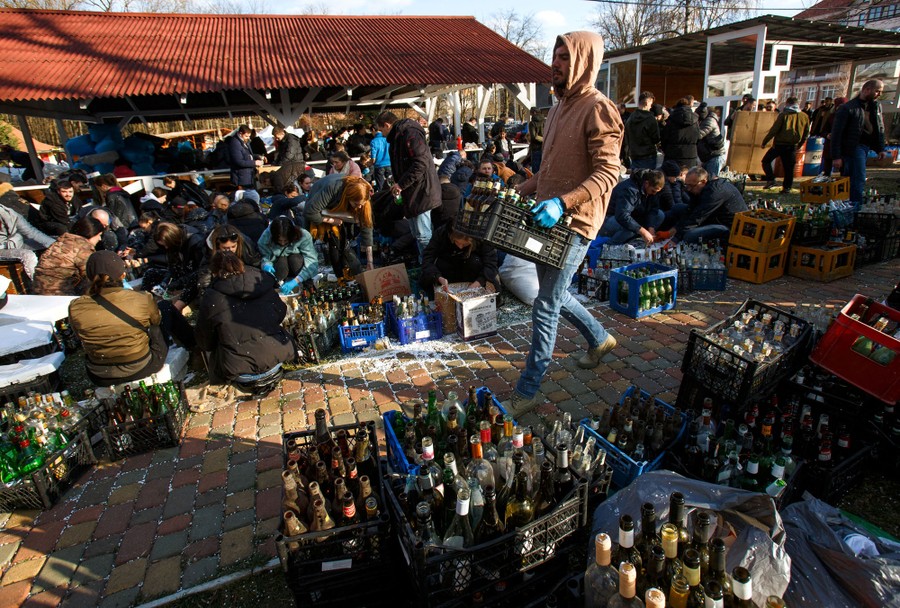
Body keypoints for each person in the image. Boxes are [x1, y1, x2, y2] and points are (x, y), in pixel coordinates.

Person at [505, 31, 623, 416]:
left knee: (545, 305)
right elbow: (551, 169)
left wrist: (563, 203)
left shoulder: (598, 108)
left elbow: (609, 173)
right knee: (554, 295)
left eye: (564, 58)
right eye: (554, 57)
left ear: (585, 62)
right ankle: (600, 339)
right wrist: (521, 187)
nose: (555, 64)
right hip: (548, 221)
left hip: (576, 223)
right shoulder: (556, 109)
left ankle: (529, 388)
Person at [194, 251, 296, 385]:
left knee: (214, 348)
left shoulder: (212, 297)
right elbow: (281, 312)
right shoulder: (260, 282)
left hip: (241, 372)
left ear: (214, 272)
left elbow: (205, 341)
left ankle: (221, 382)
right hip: (276, 358)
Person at [68, 251, 168, 386]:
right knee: (165, 310)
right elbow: (156, 322)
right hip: (142, 367)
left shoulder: (76, 306)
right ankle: (195, 351)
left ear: (90, 277)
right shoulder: (142, 298)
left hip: (100, 375)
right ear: (123, 275)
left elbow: (78, 335)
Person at [375, 111, 441, 261]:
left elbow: (420, 163)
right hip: (415, 191)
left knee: (423, 235)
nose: (382, 134)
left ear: (387, 125)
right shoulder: (401, 136)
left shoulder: (409, 134)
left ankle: (430, 268)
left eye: (381, 129)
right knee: (418, 233)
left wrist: (401, 184)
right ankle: (425, 266)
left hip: (421, 191)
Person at [304, 174, 375, 277]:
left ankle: (346, 275)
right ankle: (306, 276)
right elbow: (309, 212)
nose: (359, 207)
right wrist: (332, 220)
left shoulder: (364, 196)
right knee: (310, 241)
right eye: (356, 204)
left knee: (343, 242)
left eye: (362, 204)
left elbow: (366, 225)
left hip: (339, 213)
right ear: (348, 197)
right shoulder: (333, 188)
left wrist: (370, 262)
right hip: (318, 207)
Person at [831, 79, 886, 204]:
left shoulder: (876, 107)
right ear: (867, 89)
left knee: (853, 177)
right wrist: (836, 156)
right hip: (854, 147)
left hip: (866, 147)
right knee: (858, 177)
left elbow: (880, 128)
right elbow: (837, 133)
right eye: (877, 91)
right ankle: (855, 206)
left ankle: (849, 204)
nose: (879, 94)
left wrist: (880, 148)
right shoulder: (848, 108)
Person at [420, 220, 499, 298]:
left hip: (471, 272)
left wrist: (477, 283)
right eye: (457, 242)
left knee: (474, 262)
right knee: (432, 273)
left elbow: (491, 264)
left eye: (465, 244)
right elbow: (427, 258)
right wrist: (438, 277)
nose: (460, 247)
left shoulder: (482, 236)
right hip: (448, 268)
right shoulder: (442, 233)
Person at [670, 167, 747, 244]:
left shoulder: (714, 192)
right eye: (687, 185)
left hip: (728, 226)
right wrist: (676, 228)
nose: (688, 189)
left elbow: (698, 217)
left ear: (703, 181)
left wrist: (676, 238)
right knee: (677, 208)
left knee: (689, 236)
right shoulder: (700, 187)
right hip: (712, 216)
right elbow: (691, 209)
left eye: (691, 186)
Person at [32, 216, 104, 295]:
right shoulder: (83, 247)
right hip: (59, 293)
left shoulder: (62, 241)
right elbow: (91, 275)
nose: (100, 239)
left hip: (38, 289)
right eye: (99, 235)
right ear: (91, 233)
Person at [598, 169, 665, 245]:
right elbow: (622, 216)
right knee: (631, 227)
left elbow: (653, 209)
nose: (654, 194)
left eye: (657, 192)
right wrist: (642, 231)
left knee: (659, 215)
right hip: (609, 219)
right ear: (646, 183)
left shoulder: (651, 191)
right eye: (653, 191)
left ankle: (634, 240)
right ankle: (610, 246)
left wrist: (651, 227)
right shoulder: (629, 190)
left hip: (631, 215)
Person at [761, 96, 810, 193]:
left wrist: (765, 141)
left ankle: (771, 180)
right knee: (789, 168)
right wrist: (800, 144)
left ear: (788, 104)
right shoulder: (804, 116)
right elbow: (806, 132)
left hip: (779, 145)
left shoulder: (783, 115)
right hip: (792, 146)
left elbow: (774, 130)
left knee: (766, 161)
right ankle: (787, 187)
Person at [257, 217, 319, 294]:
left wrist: (297, 280)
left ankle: (308, 287)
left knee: (295, 259)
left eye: (286, 240)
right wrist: (266, 264)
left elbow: (312, 260)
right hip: (279, 266)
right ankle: (277, 286)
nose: (282, 243)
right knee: (282, 261)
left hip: (298, 267)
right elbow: (265, 256)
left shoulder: (304, 235)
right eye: (279, 241)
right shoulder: (265, 238)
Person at [0, 205, 54, 278]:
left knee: (55, 241)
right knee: (28, 255)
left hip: (17, 243)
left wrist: (56, 244)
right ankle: (40, 284)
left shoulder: (10, 215)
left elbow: (31, 232)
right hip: (1, 250)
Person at [624, 91, 661, 171]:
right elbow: (656, 138)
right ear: (647, 102)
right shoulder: (650, 119)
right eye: (651, 104)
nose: (651, 107)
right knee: (648, 180)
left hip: (634, 155)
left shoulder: (630, 118)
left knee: (635, 180)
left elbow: (626, 137)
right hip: (648, 155)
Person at [662, 98, 700, 168]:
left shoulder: (671, 120)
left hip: (672, 155)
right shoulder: (695, 121)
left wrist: (666, 150)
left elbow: (665, 138)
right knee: (688, 177)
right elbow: (698, 137)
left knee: (672, 177)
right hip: (690, 155)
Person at [228, 125, 263, 191]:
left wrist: (257, 156)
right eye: (246, 136)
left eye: (249, 136)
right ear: (240, 133)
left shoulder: (245, 141)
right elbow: (239, 161)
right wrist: (254, 162)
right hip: (241, 178)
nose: (248, 138)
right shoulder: (235, 143)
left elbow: (248, 155)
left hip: (248, 176)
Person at [696, 103, 727, 178]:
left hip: (715, 156)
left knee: (711, 180)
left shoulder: (709, 121)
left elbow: (699, 135)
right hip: (709, 155)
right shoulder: (706, 120)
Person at [820, 96, 847, 176]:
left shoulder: (850, 117)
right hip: (830, 147)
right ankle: (827, 185)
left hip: (843, 148)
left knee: (842, 171)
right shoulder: (831, 117)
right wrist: (827, 135)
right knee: (827, 170)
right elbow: (823, 131)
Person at [528, 107, 545, 173]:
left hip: (536, 148)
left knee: (536, 169)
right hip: (545, 147)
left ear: (534, 113)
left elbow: (534, 136)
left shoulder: (532, 123)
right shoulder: (545, 121)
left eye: (531, 113)